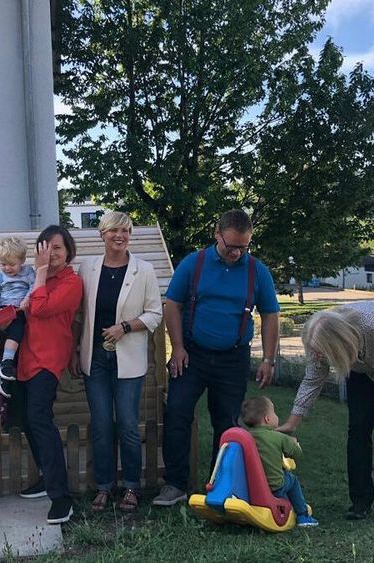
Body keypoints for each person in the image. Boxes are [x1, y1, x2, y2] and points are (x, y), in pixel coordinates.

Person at [153, 209, 280, 507]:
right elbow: (172, 305)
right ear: (216, 234)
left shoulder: (257, 271)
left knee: (227, 423)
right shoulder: (193, 264)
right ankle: (175, 484)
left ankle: (219, 486)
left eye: (243, 247)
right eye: (231, 246)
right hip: (192, 355)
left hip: (233, 359)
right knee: (177, 414)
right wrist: (178, 348)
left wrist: (269, 359)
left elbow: (271, 314)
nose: (237, 253)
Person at [278, 302, 374, 522]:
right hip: (360, 371)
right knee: (358, 430)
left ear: (338, 343)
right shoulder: (318, 337)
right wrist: (293, 422)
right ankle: (360, 501)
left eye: (322, 353)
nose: (318, 357)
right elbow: (313, 380)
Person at [72, 211, 162, 512]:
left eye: (125, 231)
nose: (119, 236)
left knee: (126, 423)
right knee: (100, 424)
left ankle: (132, 487)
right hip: (95, 358)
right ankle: (104, 486)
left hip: (128, 359)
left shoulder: (144, 270)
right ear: (102, 234)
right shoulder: (87, 268)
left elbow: (155, 314)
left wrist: (124, 327)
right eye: (113, 231)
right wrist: (74, 350)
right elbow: (79, 314)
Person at [16, 225, 83, 525]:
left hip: (48, 360)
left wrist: (40, 273)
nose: (51, 254)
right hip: (26, 359)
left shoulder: (72, 282)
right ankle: (46, 477)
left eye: (57, 248)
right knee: (26, 418)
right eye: (45, 248)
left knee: (40, 419)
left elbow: (40, 308)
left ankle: (62, 497)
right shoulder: (33, 279)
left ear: (68, 251)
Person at [240, 396, 318, 527]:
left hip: (252, 486)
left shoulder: (246, 436)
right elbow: (297, 454)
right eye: (274, 412)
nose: (276, 416)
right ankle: (303, 515)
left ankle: (286, 503)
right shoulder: (279, 437)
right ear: (267, 419)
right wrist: (295, 443)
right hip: (274, 485)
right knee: (292, 480)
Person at [0, 236, 36, 399]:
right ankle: (5, 364)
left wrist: (27, 299)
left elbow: (34, 286)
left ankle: (5, 376)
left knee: (21, 334)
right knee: (16, 330)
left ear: (22, 260)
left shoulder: (28, 272)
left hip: (21, 309)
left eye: (11, 264)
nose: (7, 268)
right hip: (6, 310)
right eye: (3, 264)